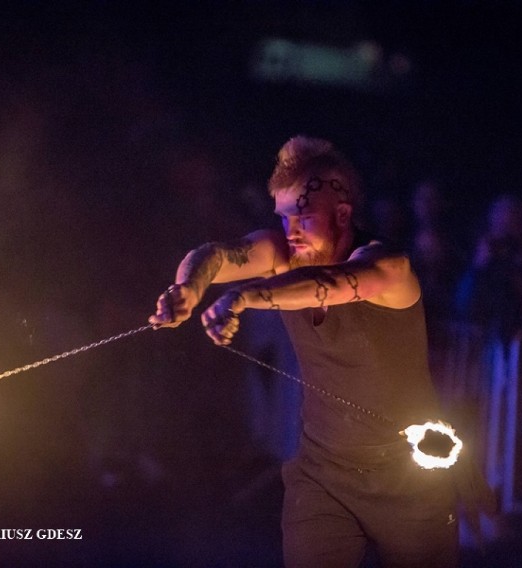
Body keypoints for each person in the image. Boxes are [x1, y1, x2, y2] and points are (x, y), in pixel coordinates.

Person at [149, 136, 473, 567]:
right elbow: (215, 254)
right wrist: (188, 287)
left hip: (409, 479)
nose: (291, 232)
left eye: (303, 217)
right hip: (322, 476)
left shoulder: (388, 266)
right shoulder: (283, 253)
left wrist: (246, 297)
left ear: (341, 214)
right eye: (284, 218)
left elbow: (335, 286)